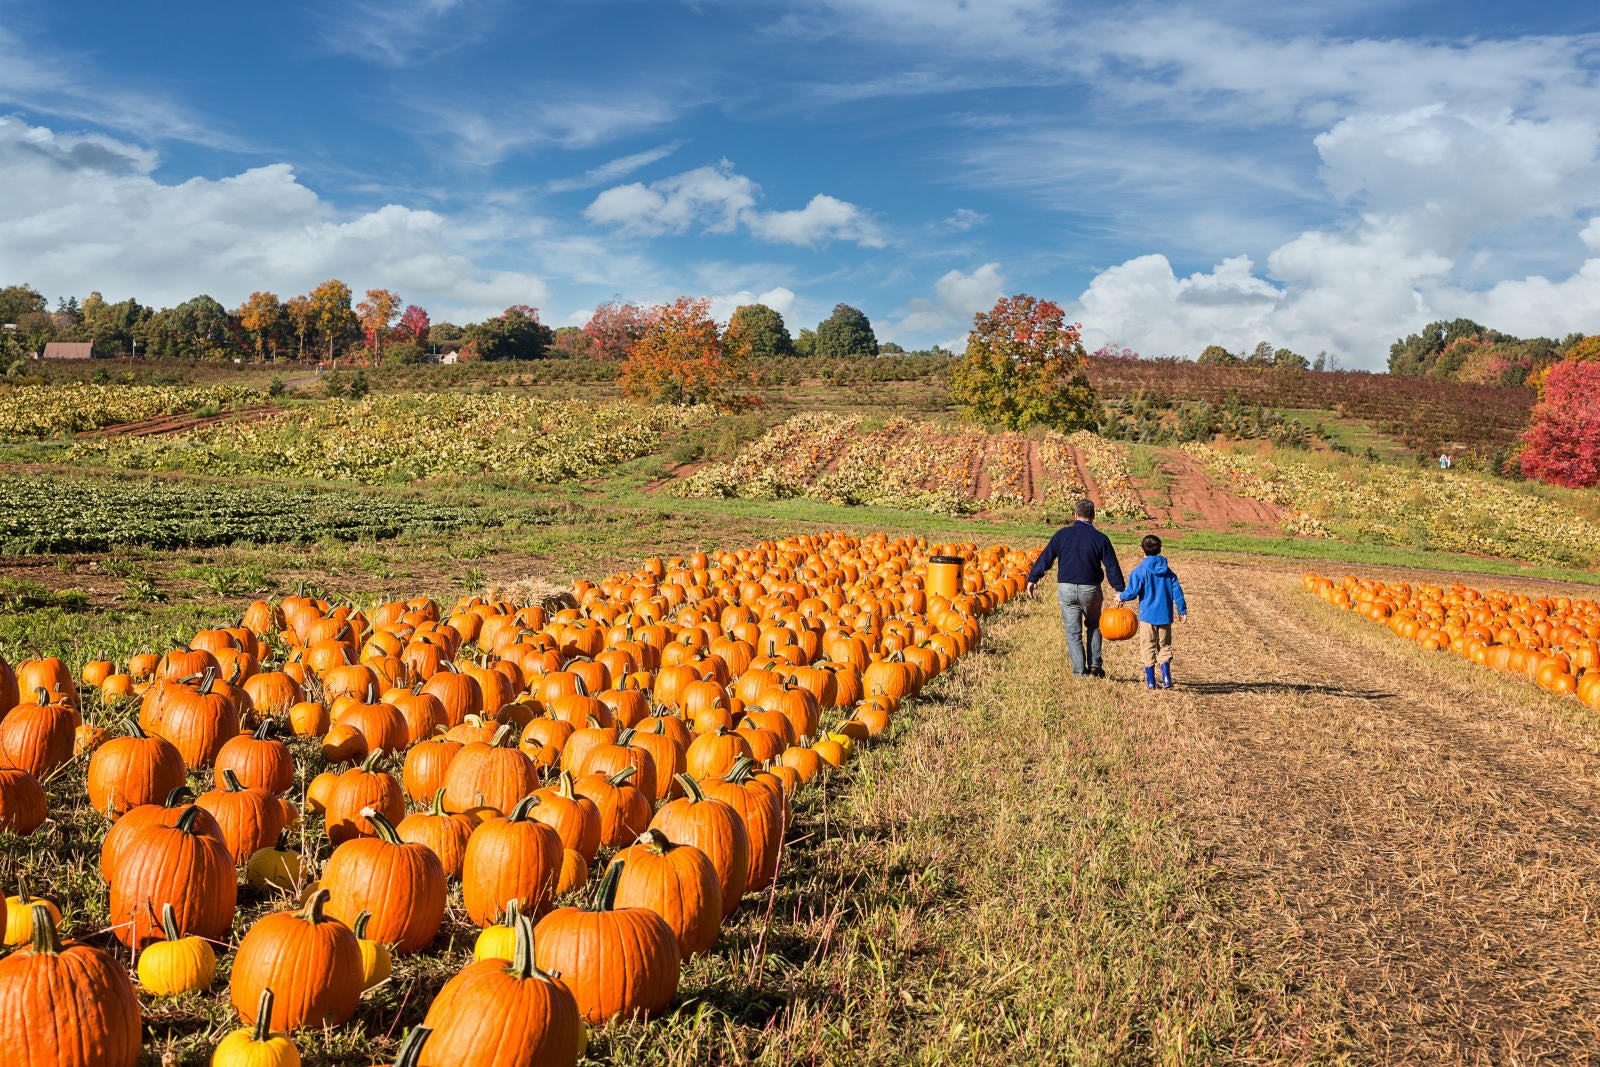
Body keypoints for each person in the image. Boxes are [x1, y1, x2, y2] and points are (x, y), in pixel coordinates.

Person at [1026, 499, 1125, 678]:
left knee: (1073, 632)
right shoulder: (1100, 538)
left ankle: (1080, 672)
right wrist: (1119, 589)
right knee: (1095, 626)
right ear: (1093, 516)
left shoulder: (1062, 535)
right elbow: (1111, 566)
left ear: (1075, 515)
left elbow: (1046, 558)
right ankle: (1095, 666)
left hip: (1066, 589)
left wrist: (1033, 578)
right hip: (1090, 590)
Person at [1117, 534, 1188, 690]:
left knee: (1148, 645)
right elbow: (1178, 592)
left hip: (1147, 616)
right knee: (1165, 645)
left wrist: (1121, 597)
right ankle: (1167, 677)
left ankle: (1150, 680)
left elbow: (1132, 591)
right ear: (1160, 550)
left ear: (1142, 550)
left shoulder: (1140, 571)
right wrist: (1182, 610)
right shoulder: (1168, 572)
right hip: (1165, 616)